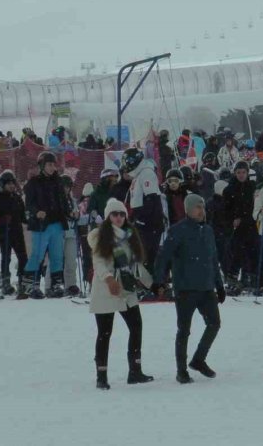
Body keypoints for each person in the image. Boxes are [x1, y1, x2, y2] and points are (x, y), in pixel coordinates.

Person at [153, 194, 224, 384]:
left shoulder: (208, 230)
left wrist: (219, 284)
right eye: (197, 207)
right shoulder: (178, 230)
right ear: (188, 210)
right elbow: (164, 257)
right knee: (184, 329)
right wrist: (159, 281)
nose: (202, 211)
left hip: (206, 287)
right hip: (185, 288)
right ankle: (181, 369)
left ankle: (199, 359)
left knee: (214, 323)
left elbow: (213, 259)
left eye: (203, 207)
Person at [88, 198, 154, 390]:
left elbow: (135, 265)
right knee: (105, 333)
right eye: (114, 214)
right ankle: (102, 375)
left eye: (121, 214)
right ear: (108, 217)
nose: (118, 217)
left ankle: (135, 370)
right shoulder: (101, 236)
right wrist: (109, 279)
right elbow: (99, 263)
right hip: (106, 290)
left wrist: (153, 283)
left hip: (126, 290)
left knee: (136, 326)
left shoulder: (129, 235)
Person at [22, 152, 68, 299]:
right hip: (41, 224)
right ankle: (31, 284)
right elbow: (29, 204)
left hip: (57, 223)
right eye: (49, 164)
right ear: (42, 165)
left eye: (54, 165)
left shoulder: (58, 182)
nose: (52, 168)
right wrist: (36, 212)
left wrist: (70, 212)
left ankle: (56, 284)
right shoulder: (33, 183)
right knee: (38, 254)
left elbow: (63, 201)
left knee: (57, 255)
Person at [123, 148, 166, 278]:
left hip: (149, 223)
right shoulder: (138, 175)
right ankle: (145, 283)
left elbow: (151, 199)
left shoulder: (146, 173)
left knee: (147, 256)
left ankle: (152, 285)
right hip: (141, 221)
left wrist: (142, 219)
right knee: (141, 255)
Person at [222, 161, 258, 295]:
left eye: (243, 172)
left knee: (251, 252)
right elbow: (226, 210)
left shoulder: (252, 187)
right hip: (236, 227)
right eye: (238, 173)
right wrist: (233, 219)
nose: (241, 175)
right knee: (236, 253)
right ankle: (232, 279)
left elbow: (254, 206)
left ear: (247, 173)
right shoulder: (229, 189)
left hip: (251, 224)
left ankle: (249, 278)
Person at [0, 170, 26, 295]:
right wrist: (2, 221)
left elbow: (23, 215)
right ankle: (5, 281)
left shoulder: (17, 198)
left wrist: (30, 219)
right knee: (6, 257)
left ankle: (22, 279)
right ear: (2, 185)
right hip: (4, 232)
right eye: (8, 184)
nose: (11, 186)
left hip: (16, 231)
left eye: (13, 183)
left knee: (22, 256)